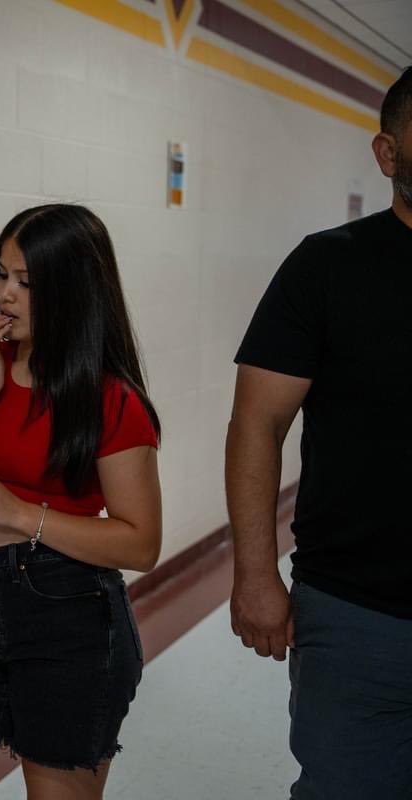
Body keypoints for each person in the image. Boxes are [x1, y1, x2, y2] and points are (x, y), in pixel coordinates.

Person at [0, 204, 162, 800]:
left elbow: (140, 542)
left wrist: (21, 514)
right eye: (1, 274)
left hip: (69, 618)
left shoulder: (110, 399)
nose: (6, 295)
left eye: (27, 282)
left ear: (71, 291)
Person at [226, 67, 412, 800]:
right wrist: (254, 571)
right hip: (355, 614)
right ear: (387, 154)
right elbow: (257, 423)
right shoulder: (327, 266)